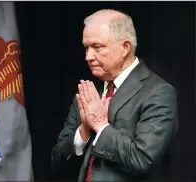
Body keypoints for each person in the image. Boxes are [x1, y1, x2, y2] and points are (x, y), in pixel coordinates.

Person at [51, 9, 178, 181]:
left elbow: (143, 160)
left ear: (125, 47)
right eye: (86, 48)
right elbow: (57, 162)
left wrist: (100, 126)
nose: (88, 56)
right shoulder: (88, 93)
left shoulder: (158, 92)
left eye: (97, 47)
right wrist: (83, 133)